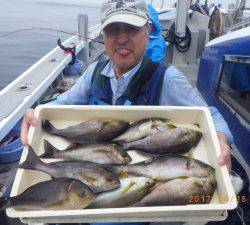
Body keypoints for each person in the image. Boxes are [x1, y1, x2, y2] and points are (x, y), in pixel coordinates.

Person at [21, 1, 233, 224]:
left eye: (132, 29)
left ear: (147, 31)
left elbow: (210, 115)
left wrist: (220, 138)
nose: (121, 38)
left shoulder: (167, 79)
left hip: (137, 210)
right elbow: (58, 107)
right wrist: (33, 114)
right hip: (90, 195)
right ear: (104, 34)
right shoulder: (93, 72)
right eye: (113, 29)